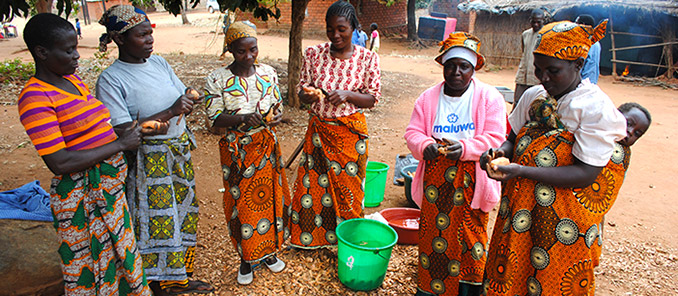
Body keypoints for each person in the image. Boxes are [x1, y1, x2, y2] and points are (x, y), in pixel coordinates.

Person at [480, 20, 627, 295]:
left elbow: (585, 174)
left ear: (578, 66)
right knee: (512, 270)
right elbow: (512, 139)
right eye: (538, 69)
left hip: (565, 220)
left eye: (553, 70)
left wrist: (522, 171)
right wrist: (499, 154)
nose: (543, 78)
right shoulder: (535, 96)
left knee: (554, 278)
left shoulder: (595, 109)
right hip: (520, 211)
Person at [17, 13, 150, 295]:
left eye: (76, 48)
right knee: (90, 266)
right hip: (81, 199)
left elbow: (94, 130)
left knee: (121, 258)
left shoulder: (73, 81)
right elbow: (59, 162)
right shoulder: (35, 98)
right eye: (68, 50)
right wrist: (120, 145)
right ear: (41, 52)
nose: (77, 56)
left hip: (109, 192)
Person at [95, 5, 213, 295]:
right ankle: (156, 285)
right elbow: (125, 133)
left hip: (177, 154)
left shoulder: (159, 63)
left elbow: (183, 93)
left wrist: (190, 98)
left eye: (151, 33)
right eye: (142, 34)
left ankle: (179, 278)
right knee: (156, 222)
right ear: (119, 39)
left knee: (184, 215)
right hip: (150, 163)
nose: (150, 39)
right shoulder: (111, 79)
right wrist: (170, 112)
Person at [404, 32, 506, 296]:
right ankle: (431, 289)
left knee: (471, 240)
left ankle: (467, 290)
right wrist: (424, 146)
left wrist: (466, 148)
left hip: (472, 181)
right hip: (435, 182)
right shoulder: (427, 99)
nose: (456, 72)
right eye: (451, 65)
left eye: (464, 66)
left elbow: (497, 138)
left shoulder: (489, 98)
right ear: (442, 66)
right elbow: (413, 133)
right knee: (433, 238)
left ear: (473, 69)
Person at [204, 21, 290, 286]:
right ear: (230, 49)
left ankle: (268, 252)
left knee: (269, 199)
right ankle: (246, 258)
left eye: (253, 49)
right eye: (241, 51)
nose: (249, 56)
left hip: (266, 147)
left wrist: (276, 117)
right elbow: (214, 118)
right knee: (243, 205)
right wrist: (243, 118)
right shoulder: (217, 78)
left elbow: (277, 106)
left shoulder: (268, 73)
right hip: (237, 151)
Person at [290, 0, 381, 249]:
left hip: (350, 134)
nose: (335, 35)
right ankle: (313, 239)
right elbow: (302, 90)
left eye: (341, 29)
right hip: (319, 131)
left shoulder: (367, 58)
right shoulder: (313, 54)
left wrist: (347, 95)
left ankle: (351, 242)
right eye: (330, 29)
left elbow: (372, 98)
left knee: (349, 190)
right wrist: (307, 95)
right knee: (312, 186)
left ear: (353, 27)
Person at [514, 9, 545, 106]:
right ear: (530, 20)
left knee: (535, 105)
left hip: (536, 77)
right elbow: (524, 52)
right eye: (533, 21)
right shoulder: (525, 34)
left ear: (544, 21)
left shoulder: (546, 35)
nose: (536, 24)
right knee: (518, 102)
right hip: (523, 74)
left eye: (538, 22)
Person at [576, 14, 602, 84]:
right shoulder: (593, 41)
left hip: (585, 82)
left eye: (577, 24)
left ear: (583, 25)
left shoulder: (588, 42)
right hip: (589, 81)